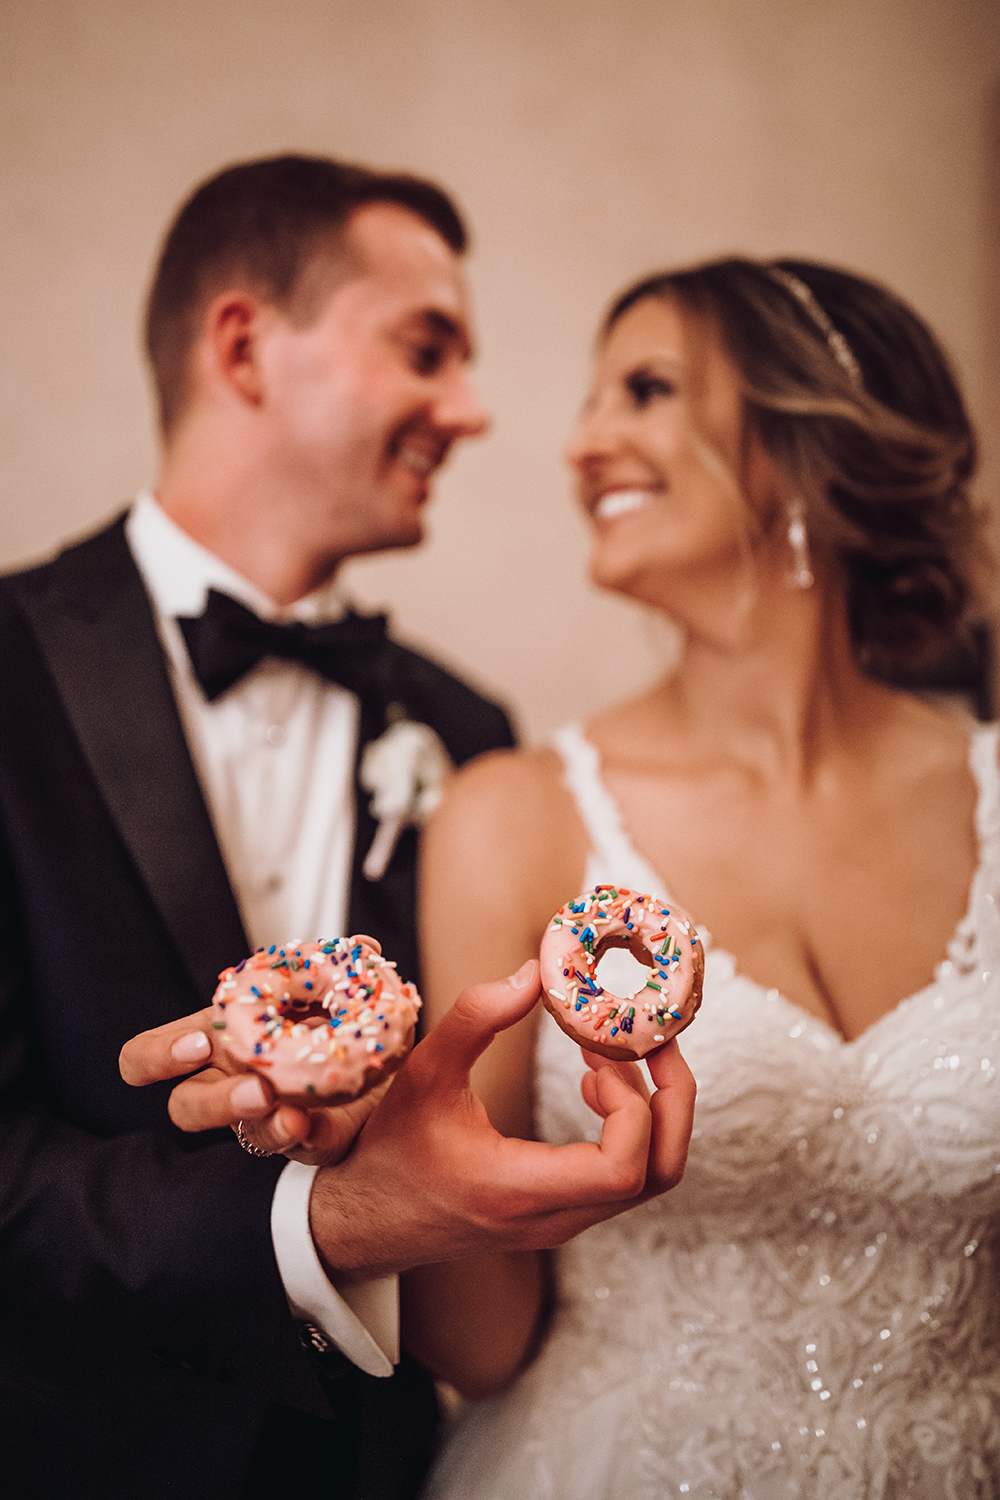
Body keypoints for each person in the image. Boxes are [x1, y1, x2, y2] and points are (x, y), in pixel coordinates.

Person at [0, 155, 695, 1500]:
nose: (476, 411)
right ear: (246, 346)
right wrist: (319, 1223)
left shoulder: (468, 729)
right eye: (428, 349)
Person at [401, 258, 999, 1497]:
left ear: (799, 440)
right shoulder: (511, 821)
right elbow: (482, 1343)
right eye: (591, 398)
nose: (581, 442)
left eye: (645, 388)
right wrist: (418, 1163)